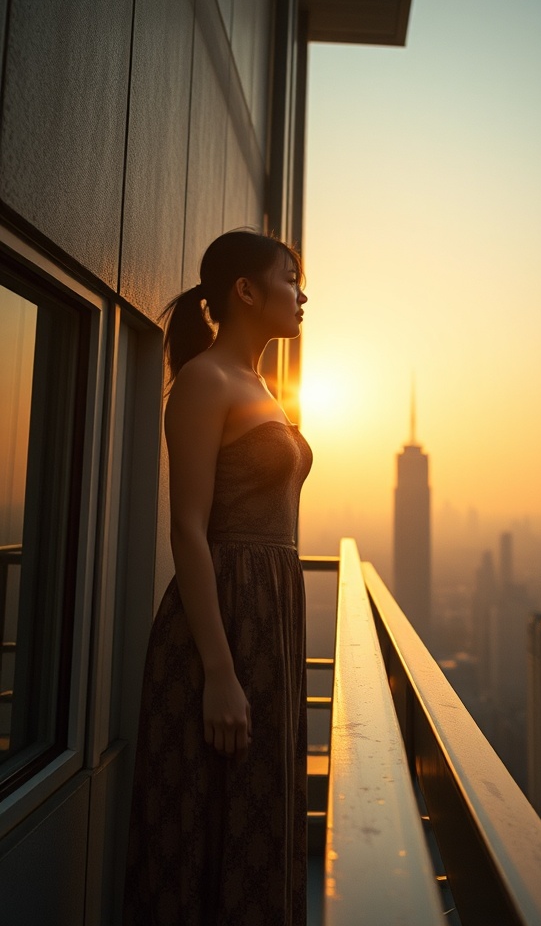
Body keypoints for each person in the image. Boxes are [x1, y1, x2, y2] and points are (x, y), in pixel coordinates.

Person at [124, 229, 311, 926]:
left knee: (258, 811)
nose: (302, 295)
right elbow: (188, 529)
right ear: (245, 291)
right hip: (224, 623)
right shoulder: (205, 380)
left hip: (269, 616)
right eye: (289, 278)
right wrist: (220, 671)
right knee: (207, 823)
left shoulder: (259, 384)